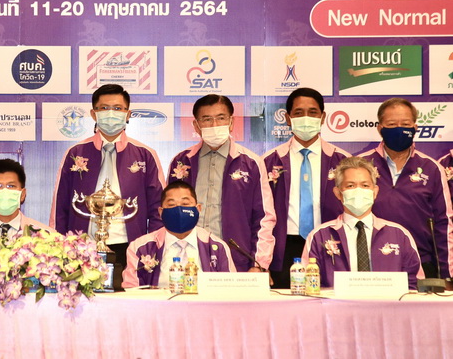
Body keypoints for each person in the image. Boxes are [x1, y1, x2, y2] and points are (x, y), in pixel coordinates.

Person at [50, 84, 165, 267]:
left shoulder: (145, 155)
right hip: (82, 247)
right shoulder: (75, 153)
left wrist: (149, 247)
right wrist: (60, 247)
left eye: (118, 108)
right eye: (104, 108)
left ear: (128, 114)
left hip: (130, 248)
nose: (111, 113)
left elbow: (158, 208)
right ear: (93, 114)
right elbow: (60, 206)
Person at [167, 94, 276, 272]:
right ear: (196, 125)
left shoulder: (251, 163)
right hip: (187, 258)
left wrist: (258, 264)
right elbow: (168, 213)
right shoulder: (181, 162)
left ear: (231, 122)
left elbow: (264, 218)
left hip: (236, 260)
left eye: (221, 118)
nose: (214, 125)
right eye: (207, 119)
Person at [262, 88, 349, 288]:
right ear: (288, 118)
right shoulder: (269, 162)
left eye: (313, 112)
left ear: (323, 117)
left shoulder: (343, 162)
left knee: (331, 302)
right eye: (299, 113)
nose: (306, 118)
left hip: (330, 245)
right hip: (284, 248)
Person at [359, 98, 453, 278]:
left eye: (405, 124)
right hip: (369, 263)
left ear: (415, 128)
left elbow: (444, 224)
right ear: (379, 128)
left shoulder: (432, 169)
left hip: (421, 264)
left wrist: (447, 275)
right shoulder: (360, 165)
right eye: (391, 124)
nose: (399, 129)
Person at [302, 156, 423, 289]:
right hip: (337, 302)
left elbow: (416, 284)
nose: (358, 190)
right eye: (350, 186)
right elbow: (307, 285)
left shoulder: (399, 235)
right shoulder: (319, 236)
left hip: (388, 302)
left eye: (365, 185)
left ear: (375, 192)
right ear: (338, 193)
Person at [122, 181, 235, 288]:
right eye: (171, 205)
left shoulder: (217, 247)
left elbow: (230, 291)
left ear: (198, 209)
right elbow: (132, 291)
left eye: (185, 204)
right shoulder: (141, 248)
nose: (179, 210)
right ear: (161, 212)